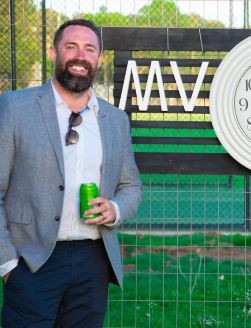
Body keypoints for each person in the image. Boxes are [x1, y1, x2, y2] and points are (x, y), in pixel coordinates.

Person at [0, 19, 142, 327]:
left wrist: (114, 208)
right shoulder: (14, 108)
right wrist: (8, 262)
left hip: (93, 261)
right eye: (71, 47)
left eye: (89, 49)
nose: (80, 56)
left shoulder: (115, 120)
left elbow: (131, 187)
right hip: (31, 260)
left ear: (99, 60)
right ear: (53, 53)